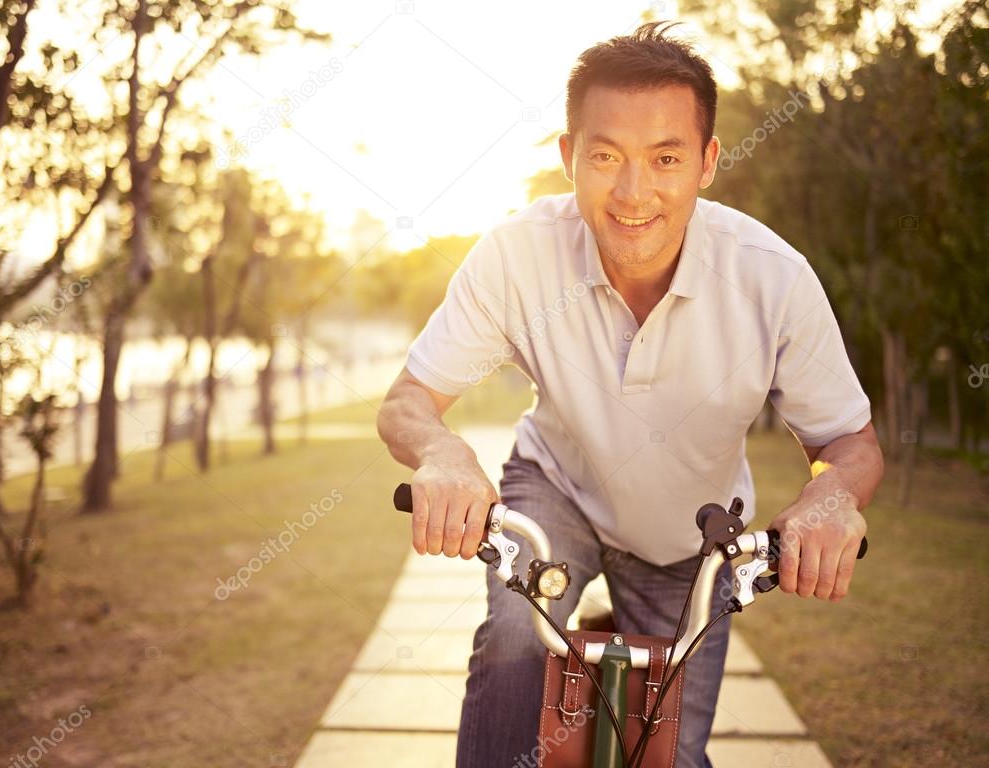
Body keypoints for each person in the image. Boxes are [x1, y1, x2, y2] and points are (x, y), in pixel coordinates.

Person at [377, 21, 884, 768]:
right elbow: (406, 401)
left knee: (668, 755)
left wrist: (832, 495)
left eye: (666, 158)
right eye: (605, 157)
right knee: (517, 640)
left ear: (709, 162)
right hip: (558, 494)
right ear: (568, 158)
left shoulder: (772, 279)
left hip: (691, 538)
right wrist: (443, 452)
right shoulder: (518, 254)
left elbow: (851, 445)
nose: (634, 192)